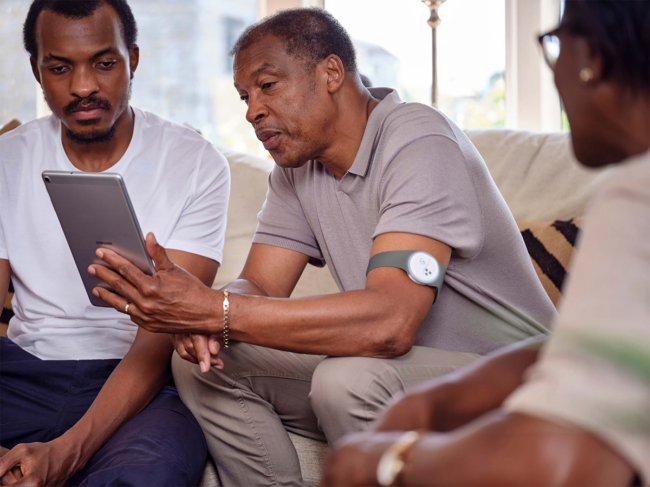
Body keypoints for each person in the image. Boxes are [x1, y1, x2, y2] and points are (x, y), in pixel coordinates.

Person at [88, 8, 556, 487]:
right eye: (245, 96)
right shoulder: (297, 168)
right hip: (408, 378)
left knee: (347, 380)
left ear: (331, 73)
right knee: (203, 365)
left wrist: (216, 309)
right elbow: (263, 283)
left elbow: (391, 322)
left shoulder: (418, 137)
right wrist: (203, 317)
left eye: (268, 86)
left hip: (520, 384)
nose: (252, 110)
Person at [322, 0, 650, 486]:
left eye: (553, 44)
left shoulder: (635, 196)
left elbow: (562, 461)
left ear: (592, 58)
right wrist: (443, 397)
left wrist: (387, 462)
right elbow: (615, 351)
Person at [0, 0, 230, 485]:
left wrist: (67, 452)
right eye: (59, 68)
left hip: (139, 383)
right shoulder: (7, 159)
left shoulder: (196, 164)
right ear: (36, 71)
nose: (83, 86)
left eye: (105, 63)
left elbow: (162, 334)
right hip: (21, 373)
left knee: (149, 475)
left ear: (134, 60)